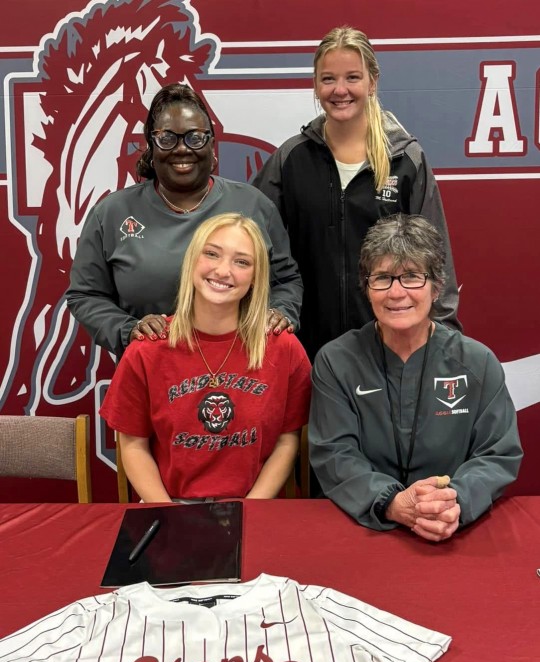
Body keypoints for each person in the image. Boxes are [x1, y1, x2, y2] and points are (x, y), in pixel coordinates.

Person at [309, 213, 522, 541]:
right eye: (383, 278)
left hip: (451, 529)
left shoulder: (477, 363)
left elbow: (497, 453)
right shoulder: (336, 362)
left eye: (411, 276)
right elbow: (334, 453)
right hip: (361, 529)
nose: (396, 293)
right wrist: (391, 503)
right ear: (367, 288)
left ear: (436, 287)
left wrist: (454, 503)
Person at [253, 26, 461, 361]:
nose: (340, 90)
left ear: (372, 82)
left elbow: (437, 259)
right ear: (315, 84)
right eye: (328, 79)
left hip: (390, 349)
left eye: (352, 77)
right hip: (306, 349)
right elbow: (251, 243)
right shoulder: (290, 159)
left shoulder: (405, 160)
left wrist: (444, 340)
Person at [66, 83, 302, 358]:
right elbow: (86, 295)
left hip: (244, 367)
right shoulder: (111, 213)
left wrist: (281, 312)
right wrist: (128, 330)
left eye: (195, 137)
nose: (181, 149)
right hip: (152, 368)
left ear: (212, 144)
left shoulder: (253, 206)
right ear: (151, 146)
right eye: (167, 138)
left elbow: (286, 280)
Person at [100, 213, 311, 502]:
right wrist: (169, 513)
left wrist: (251, 507)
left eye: (242, 262)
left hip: (256, 506)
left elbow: (288, 440)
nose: (223, 271)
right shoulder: (148, 349)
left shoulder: (282, 347)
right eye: (212, 254)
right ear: (192, 261)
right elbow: (133, 445)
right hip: (170, 505)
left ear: (255, 278)